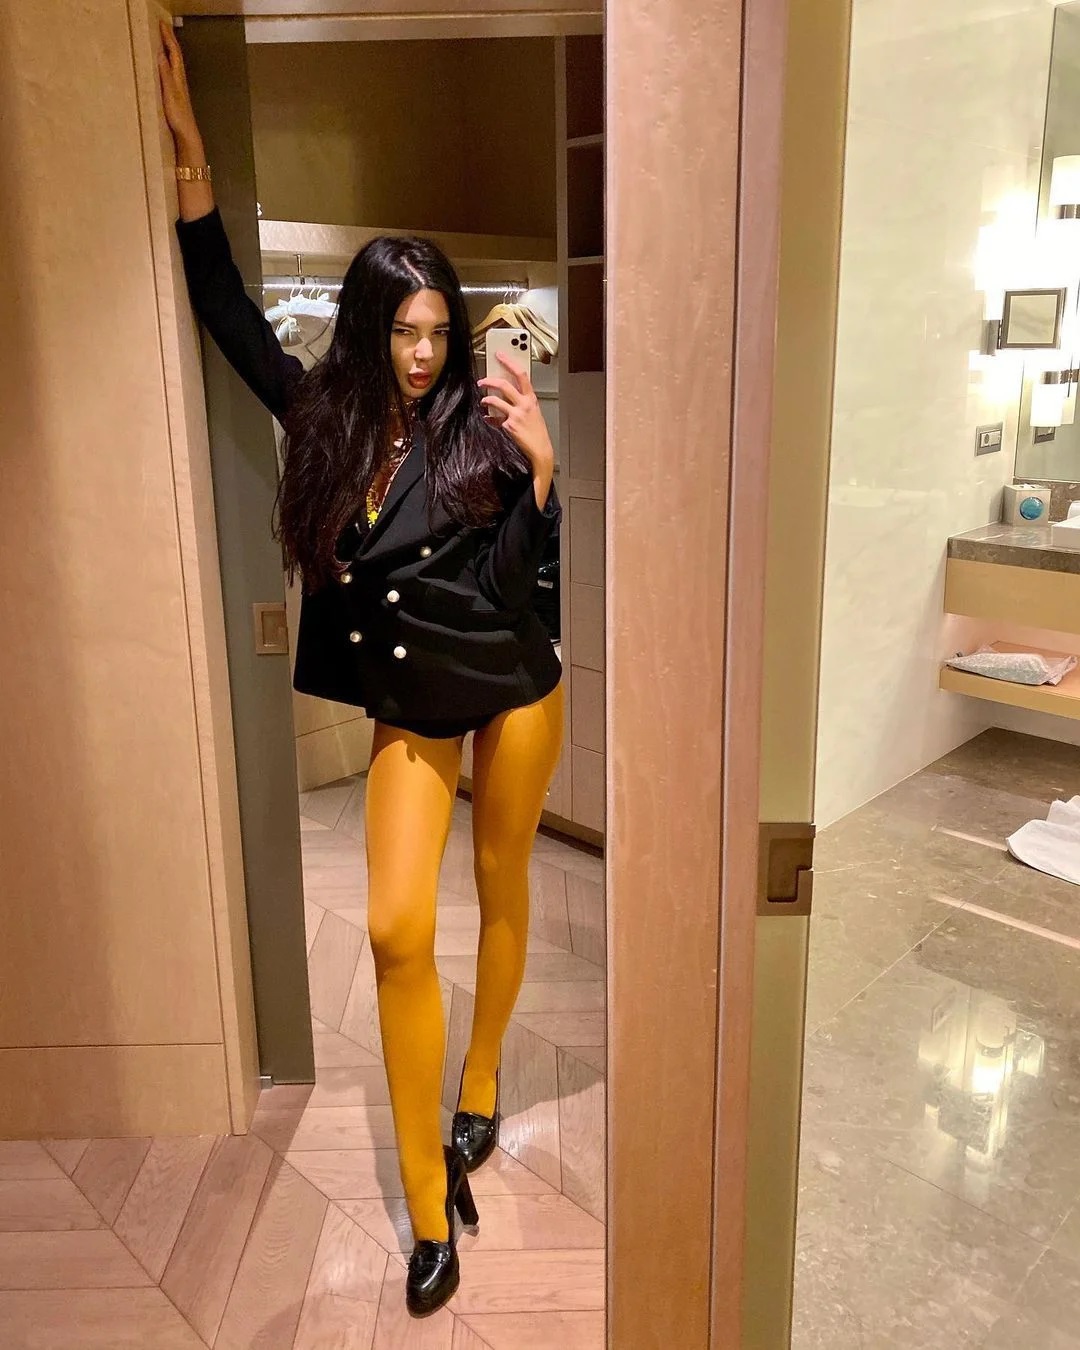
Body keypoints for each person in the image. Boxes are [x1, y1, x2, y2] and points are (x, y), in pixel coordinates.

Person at [158, 20, 565, 1318]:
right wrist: (191, 169)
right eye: (403, 330)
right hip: (413, 699)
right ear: (368, 327)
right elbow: (226, 313)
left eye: (438, 329)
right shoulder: (324, 416)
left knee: (502, 886)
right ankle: (427, 1206)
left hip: (516, 680)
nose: (424, 353)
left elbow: (529, 578)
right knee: (396, 930)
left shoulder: (483, 418)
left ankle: (480, 1086)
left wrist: (542, 472)